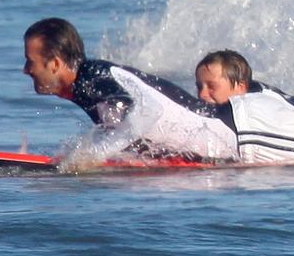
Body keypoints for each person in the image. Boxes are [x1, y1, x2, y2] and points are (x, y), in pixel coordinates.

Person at [22, 18, 238, 162]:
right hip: (212, 149)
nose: (26, 70)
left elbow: (149, 111)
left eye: (30, 62)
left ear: (56, 64)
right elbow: (126, 130)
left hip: (227, 143)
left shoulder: (93, 78)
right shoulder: (85, 83)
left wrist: (94, 156)